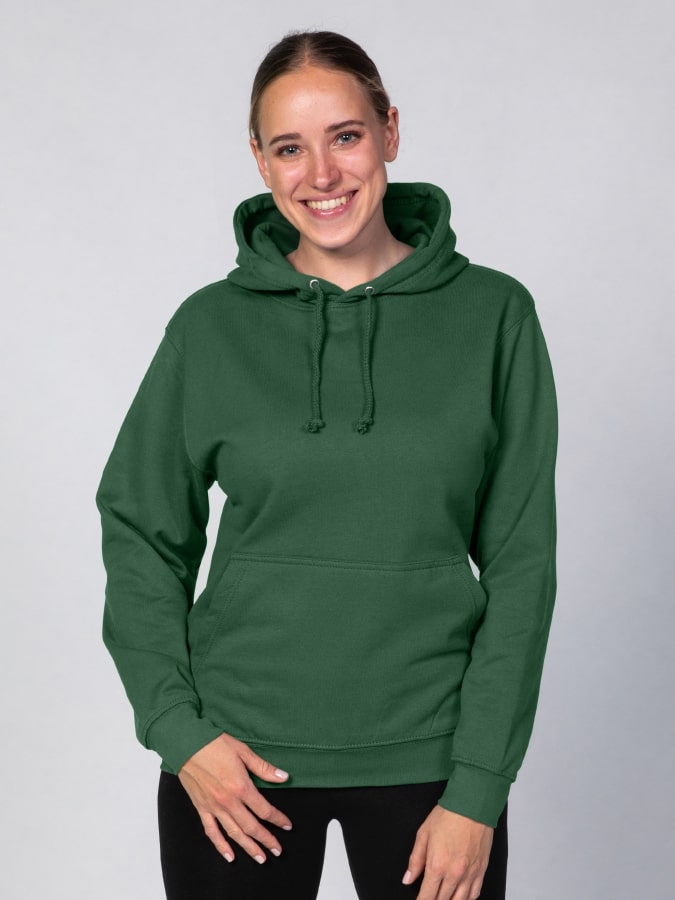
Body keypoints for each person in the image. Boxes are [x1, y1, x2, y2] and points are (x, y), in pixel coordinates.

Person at [96, 29, 557, 900]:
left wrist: (479, 787)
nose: (321, 173)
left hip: (432, 765)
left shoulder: (493, 316)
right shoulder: (209, 327)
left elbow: (521, 565)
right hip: (235, 767)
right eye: (288, 148)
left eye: (344, 136)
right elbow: (140, 529)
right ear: (259, 161)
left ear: (389, 131)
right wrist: (178, 731)